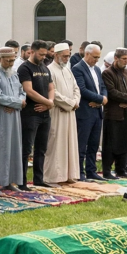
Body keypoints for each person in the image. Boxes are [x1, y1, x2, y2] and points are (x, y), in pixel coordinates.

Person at [0, 47, 26, 193]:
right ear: (0, 59)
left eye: (12, 61)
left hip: (14, 117)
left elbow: (22, 92)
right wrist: (16, 103)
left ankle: (9, 181)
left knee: (13, 148)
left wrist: (18, 102)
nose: (10, 63)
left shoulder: (14, 73)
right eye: (7, 61)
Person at [18, 40, 55, 187]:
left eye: (45, 54)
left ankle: (39, 180)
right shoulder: (24, 68)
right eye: (40, 54)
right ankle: (22, 181)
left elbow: (51, 88)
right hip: (30, 114)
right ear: (32, 52)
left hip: (45, 114)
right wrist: (48, 103)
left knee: (41, 148)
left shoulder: (45, 67)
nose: (43, 57)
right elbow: (29, 91)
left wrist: (49, 103)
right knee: (27, 149)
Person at [44, 42, 81, 184]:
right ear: (56, 55)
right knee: (56, 144)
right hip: (58, 112)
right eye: (64, 56)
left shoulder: (68, 70)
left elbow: (76, 88)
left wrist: (76, 101)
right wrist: (70, 103)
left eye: (68, 56)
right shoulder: (49, 70)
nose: (67, 59)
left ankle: (69, 175)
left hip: (70, 113)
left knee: (70, 144)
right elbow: (53, 93)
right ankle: (53, 177)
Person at [100, 48, 127, 178]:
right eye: (124, 59)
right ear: (116, 58)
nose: (126, 61)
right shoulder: (108, 73)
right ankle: (107, 171)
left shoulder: (126, 72)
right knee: (111, 144)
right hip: (113, 114)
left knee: (124, 143)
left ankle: (121, 170)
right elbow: (111, 92)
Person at [72, 43, 106, 180]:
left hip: (97, 112)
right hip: (85, 112)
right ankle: (79, 172)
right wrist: (100, 99)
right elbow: (81, 89)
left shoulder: (97, 69)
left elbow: (103, 87)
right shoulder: (77, 68)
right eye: (94, 57)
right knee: (82, 144)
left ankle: (92, 170)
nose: (96, 60)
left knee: (94, 144)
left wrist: (103, 98)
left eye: (98, 57)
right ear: (86, 54)